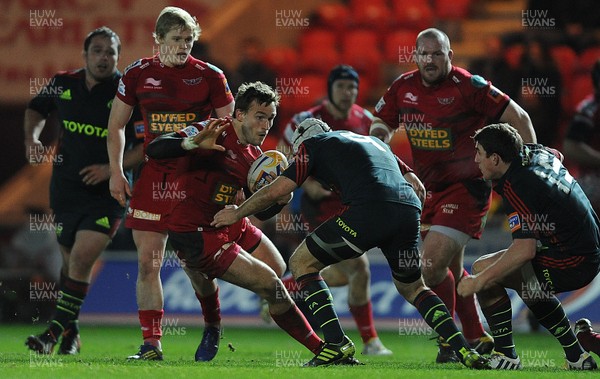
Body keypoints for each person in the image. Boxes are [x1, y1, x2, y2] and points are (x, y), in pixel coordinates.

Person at [213, 118, 491, 369]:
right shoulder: (369, 141)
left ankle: (335, 343)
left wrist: (237, 213)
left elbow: (278, 189)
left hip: (370, 209)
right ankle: (462, 349)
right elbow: (414, 181)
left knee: (301, 262)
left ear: (302, 143)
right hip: (408, 210)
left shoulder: (312, 145)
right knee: (414, 286)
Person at [369, 27, 537, 363]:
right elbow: (380, 122)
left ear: (450, 56)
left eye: (436, 53)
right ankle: (474, 336)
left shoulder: (469, 86)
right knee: (452, 272)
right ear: (414, 56)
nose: (429, 60)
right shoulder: (403, 87)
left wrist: (530, 168)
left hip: (467, 188)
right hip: (427, 190)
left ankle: (453, 341)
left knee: (430, 268)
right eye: (423, 54)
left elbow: (518, 116)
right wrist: (380, 142)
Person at [145, 82, 323, 361]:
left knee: (277, 266)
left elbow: (260, 212)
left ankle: (208, 301)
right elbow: (155, 149)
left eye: (271, 118)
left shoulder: (254, 158)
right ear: (239, 115)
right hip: (194, 230)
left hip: (229, 220)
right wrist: (192, 143)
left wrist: (278, 200)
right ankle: (321, 349)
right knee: (272, 286)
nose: (266, 125)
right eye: (260, 117)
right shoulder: (212, 130)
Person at [106, 6, 234, 361]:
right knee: (148, 262)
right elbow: (116, 125)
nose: (183, 46)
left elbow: (233, 133)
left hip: (195, 180)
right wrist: (117, 171)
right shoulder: (136, 74)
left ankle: (213, 325)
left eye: (189, 39)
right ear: (157, 40)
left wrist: (231, 183)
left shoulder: (211, 76)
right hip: (153, 179)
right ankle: (151, 344)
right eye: (176, 39)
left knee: (195, 265)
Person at [24, 26, 143, 355]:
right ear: (85, 55)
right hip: (64, 191)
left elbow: (146, 145)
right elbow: (35, 109)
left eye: (111, 52)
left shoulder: (126, 91)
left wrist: (110, 169)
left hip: (108, 195)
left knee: (79, 260)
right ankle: (71, 333)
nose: (104, 57)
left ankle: (51, 333)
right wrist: (31, 139)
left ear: (119, 57)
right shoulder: (63, 83)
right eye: (98, 51)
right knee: (69, 267)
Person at [458, 122, 600, 370]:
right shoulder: (533, 152)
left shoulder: (519, 184)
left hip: (574, 260)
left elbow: (525, 250)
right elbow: (558, 156)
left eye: (479, 153)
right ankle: (577, 356)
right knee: (527, 282)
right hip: (583, 247)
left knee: (485, 271)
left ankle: (506, 356)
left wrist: (477, 283)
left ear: (495, 158)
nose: (476, 159)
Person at [276, 65, 391, 355]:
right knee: (359, 268)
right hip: (319, 208)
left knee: (349, 273)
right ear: (330, 89)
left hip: (353, 207)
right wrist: (303, 187)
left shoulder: (365, 120)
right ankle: (370, 342)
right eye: (341, 86)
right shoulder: (305, 120)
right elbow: (280, 158)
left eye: (352, 87)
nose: (347, 92)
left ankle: (287, 288)